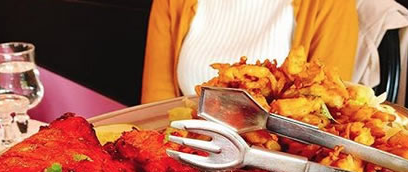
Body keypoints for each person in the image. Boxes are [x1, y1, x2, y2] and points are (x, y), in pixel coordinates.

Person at [141, 0, 359, 104]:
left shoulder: (332, 4)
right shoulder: (171, 3)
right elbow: (154, 109)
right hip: (182, 155)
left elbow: (328, 110)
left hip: (280, 169)